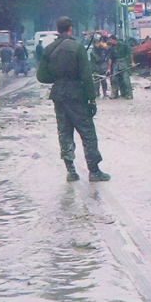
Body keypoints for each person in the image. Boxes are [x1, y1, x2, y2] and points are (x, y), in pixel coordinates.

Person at [37, 16, 110, 183]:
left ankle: (70, 171)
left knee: (64, 132)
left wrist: (58, 78)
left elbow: (41, 76)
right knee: (87, 132)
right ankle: (94, 170)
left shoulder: (48, 49)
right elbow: (86, 76)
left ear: (57, 29)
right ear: (70, 29)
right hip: (77, 95)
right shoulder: (77, 48)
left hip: (59, 96)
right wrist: (91, 99)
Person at [107, 34, 134, 100]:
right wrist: (109, 68)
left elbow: (130, 52)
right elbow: (110, 58)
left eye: (111, 40)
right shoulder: (111, 48)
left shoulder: (123, 45)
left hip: (123, 63)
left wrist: (132, 62)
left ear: (114, 39)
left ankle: (129, 94)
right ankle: (114, 94)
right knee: (114, 79)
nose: (110, 41)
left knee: (125, 79)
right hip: (116, 64)